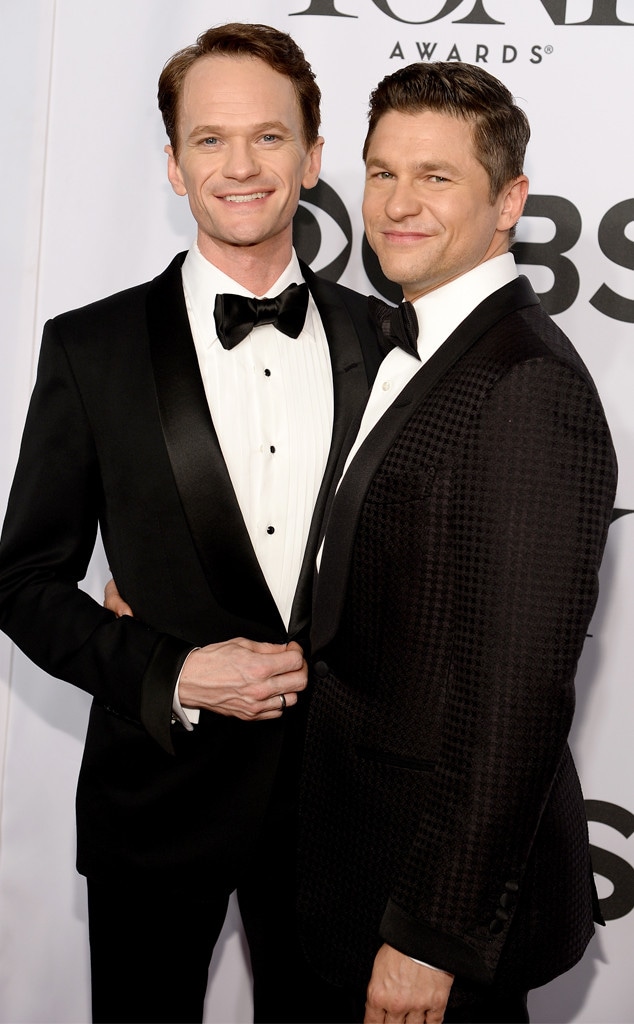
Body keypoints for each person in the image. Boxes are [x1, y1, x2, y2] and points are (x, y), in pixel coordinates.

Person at [0, 23, 379, 1024]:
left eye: (268, 136)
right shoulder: (91, 348)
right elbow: (24, 578)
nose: (241, 165)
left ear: (311, 154)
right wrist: (168, 668)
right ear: (172, 165)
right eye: (209, 140)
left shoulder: (392, 346)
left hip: (342, 809)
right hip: (157, 800)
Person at [296, 61, 617, 1024]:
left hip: (428, 904)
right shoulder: (406, 343)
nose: (398, 204)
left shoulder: (526, 387)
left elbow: (513, 702)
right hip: (350, 860)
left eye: (436, 177)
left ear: (508, 200)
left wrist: (433, 934)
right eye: (382, 172)